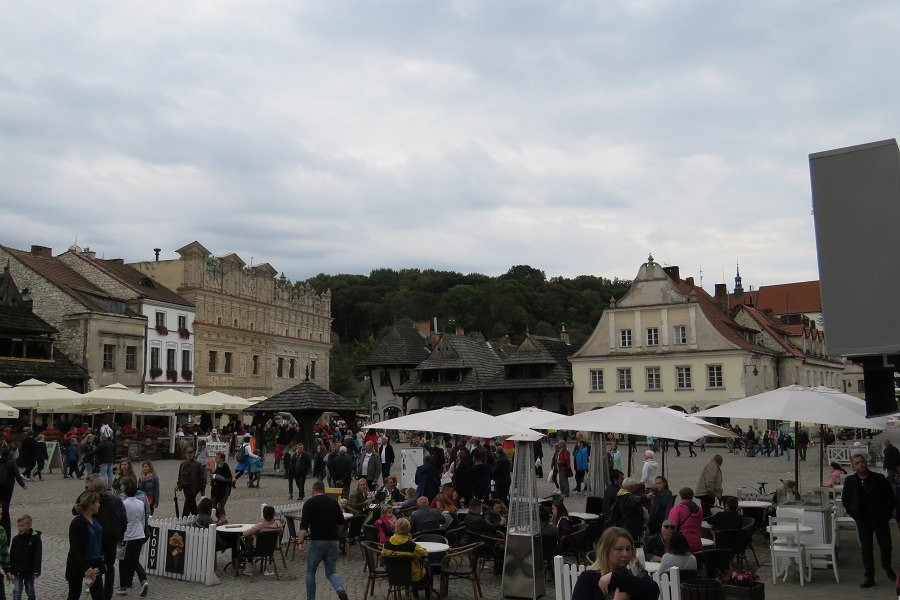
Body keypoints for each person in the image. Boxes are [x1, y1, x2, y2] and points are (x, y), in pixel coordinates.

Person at [842, 450, 896, 588]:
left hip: (880, 519)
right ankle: (869, 577)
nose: (861, 465)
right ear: (853, 467)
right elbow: (846, 501)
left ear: (866, 463)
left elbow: (890, 498)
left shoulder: (879, 479)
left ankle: (886, 566)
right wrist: (854, 515)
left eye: (862, 462)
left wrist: (886, 514)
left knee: (886, 545)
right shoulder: (850, 481)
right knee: (866, 549)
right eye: (857, 463)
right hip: (863, 521)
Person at [571, 527, 659, 600]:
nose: (625, 554)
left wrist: (615, 577)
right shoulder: (589, 578)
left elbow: (654, 591)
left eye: (628, 549)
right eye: (619, 549)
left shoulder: (633, 576)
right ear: (606, 551)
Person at [296, 481, 349, 600]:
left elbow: (303, 526)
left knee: (310, 571)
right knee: (331, 572)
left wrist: (300, 542)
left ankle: (311, 598)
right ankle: (340, 590)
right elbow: (341, 522)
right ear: (324, 491)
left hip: (317, 541)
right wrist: (337, 535)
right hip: (333, 541)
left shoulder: (309, 503)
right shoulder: (334, 503)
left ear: (313, 491)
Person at [66, 492, 105, 600]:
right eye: (97, 502)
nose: (99, 505)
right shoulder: (77, 523)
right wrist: (86, 567)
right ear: (90, 505)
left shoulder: (95, 519)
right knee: (74, 594)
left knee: (99, 596)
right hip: (79, 564)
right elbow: (74, 548)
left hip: (95, 562)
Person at [117, 477, 149, 596]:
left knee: (123, 561)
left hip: (127, 536)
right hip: (139, 535)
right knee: (135, 561)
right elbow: (142, 519)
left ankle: (123, 586)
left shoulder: (122, 504)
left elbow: (121, 521)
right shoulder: (140, 503)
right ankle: (143, 580)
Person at [381, 518, 429, 588]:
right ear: (408, 529)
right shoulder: (411, 545)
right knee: (428, 567)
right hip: (411, 576)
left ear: (396, 527)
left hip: (393, 575)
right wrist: (411, 541)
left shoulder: (387, 544)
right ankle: (425, 593)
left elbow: (383, 554)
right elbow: (424, 553)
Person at [9, 514, 41, 600]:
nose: (20, 528)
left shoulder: (35, 539)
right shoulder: (15, 539)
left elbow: (38, 555)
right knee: (17, 591)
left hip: (29, 571)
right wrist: (10, 569)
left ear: (29, 526)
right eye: (18, 526)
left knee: (30, 591)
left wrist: (37, 570)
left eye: (22, 526)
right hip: (17, 571)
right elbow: (12, 555)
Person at [606, 478, 647, 543]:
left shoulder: (620, 494)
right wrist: (646, 496)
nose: (635, 487)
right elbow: (635, 502)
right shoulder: (626, 496)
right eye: (634, 486)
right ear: (631, 487)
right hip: (629, 526)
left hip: (623, 524)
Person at [0, 446, 26, 540]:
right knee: (5, 512)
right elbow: (17, 475)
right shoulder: (12, 463)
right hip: (7, 489)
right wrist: (23, 484)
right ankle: (6, 536)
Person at [667, 487, 703, 552]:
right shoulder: (699, 510)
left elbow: (671, 526)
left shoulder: (677, 509)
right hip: (697, 543)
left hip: (682, 544)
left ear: (681, 496)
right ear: (692, 496)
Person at [176, 449, 206, 518]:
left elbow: (202, 478)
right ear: (185, 454)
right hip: (185, 487)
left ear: (194, 454)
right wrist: (178, 485)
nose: (190, 455)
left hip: (194, 487)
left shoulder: (198, 464)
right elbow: (180, 476)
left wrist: (202, 490)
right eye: (188, 453)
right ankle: (197, 517)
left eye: (191, 453)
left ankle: (184, 518)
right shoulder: (182, 464)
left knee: (188, 501)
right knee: (192, 503)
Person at [210, 452, 232, 518]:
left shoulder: (224, 466)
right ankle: (220, 518)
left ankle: (223, 520)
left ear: (222, 459)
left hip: (224, 489)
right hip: (217, 489)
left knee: (220, 506)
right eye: (215, 457)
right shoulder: (218, 466)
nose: (215, 459)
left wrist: (215, 476)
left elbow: (227, 478)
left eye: (217, 457)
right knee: (213, 504)